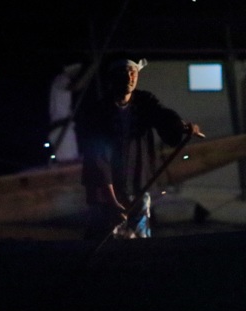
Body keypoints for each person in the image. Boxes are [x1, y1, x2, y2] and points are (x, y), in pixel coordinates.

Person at [78, 58, 203, 240]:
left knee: (140, 242)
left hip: (137, 187)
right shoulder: (99, 112)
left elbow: (162, 116)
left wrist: (182, 126)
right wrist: (112, 202)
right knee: (103, 242)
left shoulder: (144, 102)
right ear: (113, 78)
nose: (130, 78)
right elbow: (98, 160)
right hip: (105, 194)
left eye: (133, 73)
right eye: (125, 73)